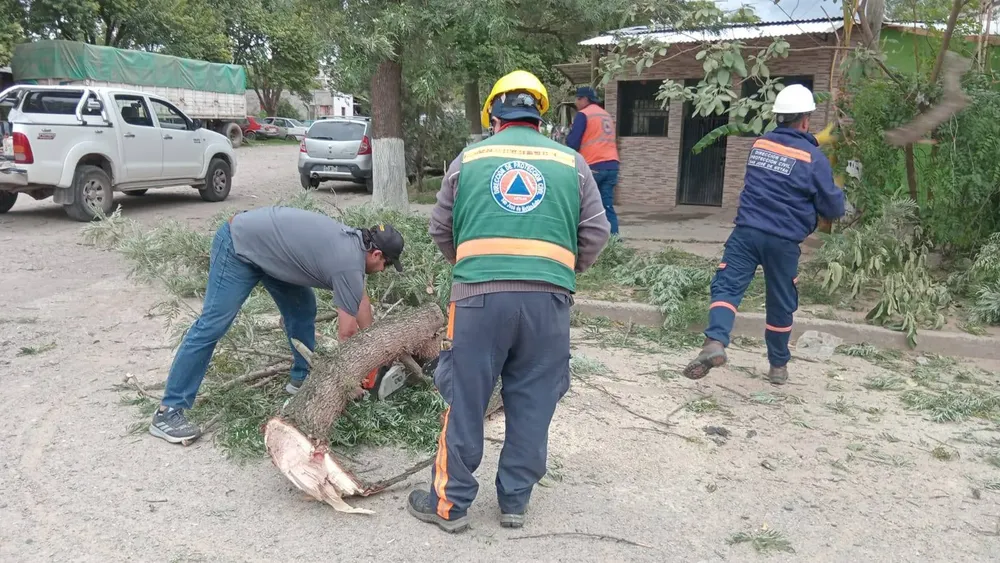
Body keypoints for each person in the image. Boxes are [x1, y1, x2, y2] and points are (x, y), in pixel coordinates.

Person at [406, 70, 611, 533]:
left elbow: (440, 228)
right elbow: (597, 233)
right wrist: (561, 272)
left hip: (478, 300)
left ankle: (451, 504)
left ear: (493, 115)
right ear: (540, 113)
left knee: (466, 398)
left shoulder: (468, 159)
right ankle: (514, 501)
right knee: (534, 400)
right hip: (549, 305)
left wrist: (471, 265)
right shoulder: (571, 163)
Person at [148, 206, 405, 444]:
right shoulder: (348, 262)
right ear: (377, 254)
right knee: (213, 325)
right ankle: (168, 411)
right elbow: (347, 332)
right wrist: (349, 383)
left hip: (272, 254)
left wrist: (378, 352)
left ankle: (301, 379)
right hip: (239, 245)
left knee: (303, 309)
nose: (383, 270)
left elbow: (361, 300)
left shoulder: (355, 247)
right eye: (386, 264)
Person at [682, 84, 845, 385]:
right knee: (781, 301)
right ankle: (778, 367)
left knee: (728, 287)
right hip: (783, 241)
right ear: (806, 120)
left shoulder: (760, 146)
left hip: (746, 232)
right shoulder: (813, 157)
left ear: (779, 117)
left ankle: (715, 342)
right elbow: (833, 207)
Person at [566, 86, 621, 236]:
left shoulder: (584, 114)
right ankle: (614, 242)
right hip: (612, 165)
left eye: (577, 98)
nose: (576, 102)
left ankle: (580, 240)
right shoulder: (605, 114)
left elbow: (572, 143)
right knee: (606, 205)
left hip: (594, 166)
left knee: (581, 205)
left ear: (585, 99)